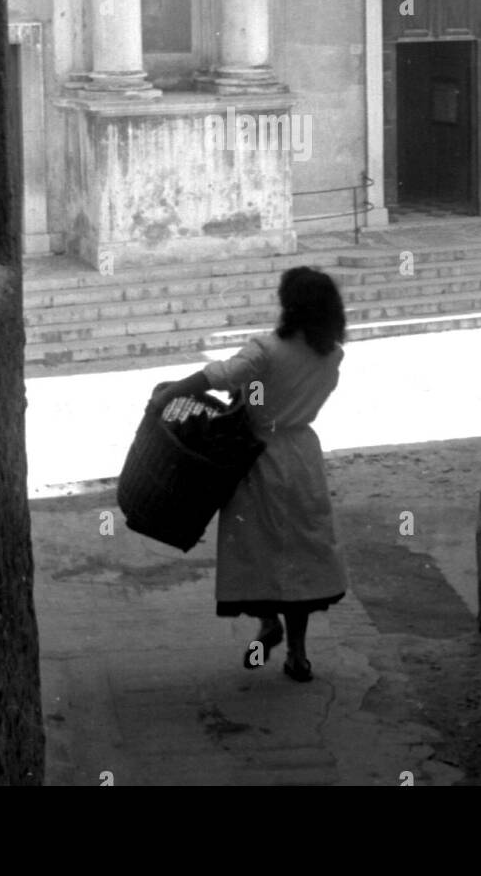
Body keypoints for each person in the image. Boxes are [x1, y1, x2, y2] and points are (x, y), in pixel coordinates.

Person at [146, 266, 348, 682]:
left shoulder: (266, 349)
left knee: (254, 547)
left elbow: (219, 375)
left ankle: (266, 621)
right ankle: (298, 654)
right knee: (300, 553)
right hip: (303, 458)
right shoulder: (332, 355)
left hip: (258, 458)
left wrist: (168, 393)